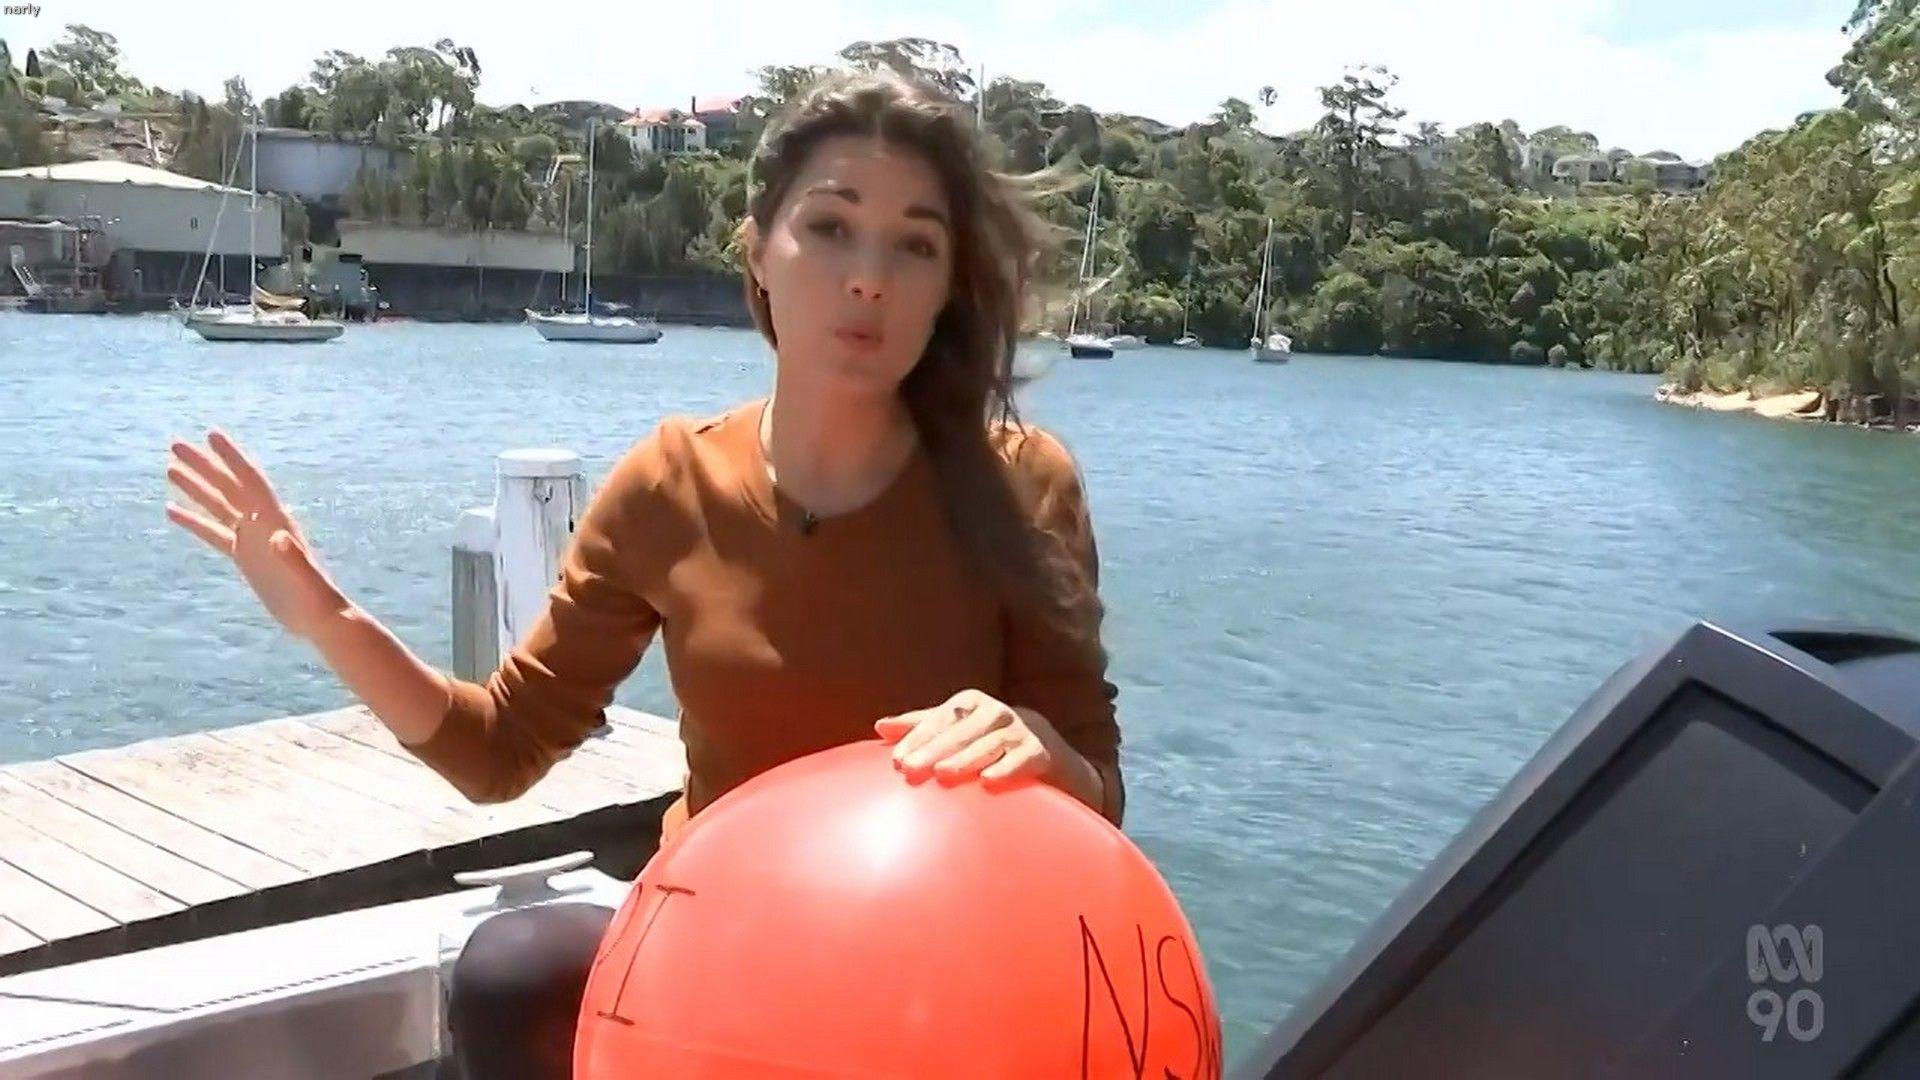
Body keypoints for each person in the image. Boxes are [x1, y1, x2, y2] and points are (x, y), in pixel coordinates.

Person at [164, 68, 1123, 1078]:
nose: (869, 277)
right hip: (715, 961)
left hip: (930, 981)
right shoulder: (672, 483)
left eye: (915, 245)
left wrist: (1042, 751)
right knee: (513, 976)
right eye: (831, 227)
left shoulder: (1025, 485)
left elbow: (1098, 799)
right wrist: (324, 615)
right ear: (758, 251)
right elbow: (499, 747)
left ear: (947, 284)